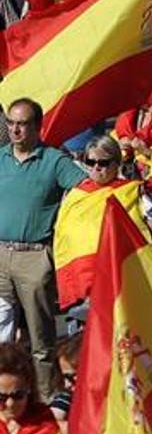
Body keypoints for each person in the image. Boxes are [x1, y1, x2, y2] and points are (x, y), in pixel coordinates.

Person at [0, 98, 86, 393]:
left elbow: (87, 192)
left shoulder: (54, 161)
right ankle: (6, 401)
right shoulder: (1, 157)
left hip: (35, 257)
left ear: (38, 126)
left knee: (40, 340)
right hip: (0, 254)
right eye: (11, 123)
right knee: (2, 335)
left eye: (22, 124)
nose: (15, 130)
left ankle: (48, 399)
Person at [52, 135, 152, 311]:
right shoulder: (74, 194)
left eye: (103, 163)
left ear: (116, 163)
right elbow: (62, 233)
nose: (96, 167)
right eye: (90, 162)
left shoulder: (135, 191)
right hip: (85, 279)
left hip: (127, 274)